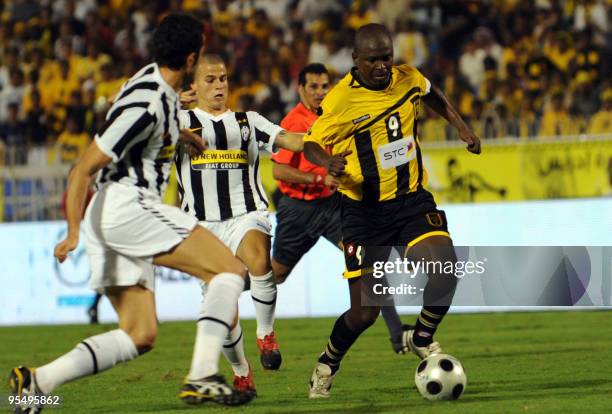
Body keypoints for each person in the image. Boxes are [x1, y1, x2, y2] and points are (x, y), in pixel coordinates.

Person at [9, 14, 255, 411]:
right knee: (229, 271)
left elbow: (152, 108)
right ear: (191, 59)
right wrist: (71, 233)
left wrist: (183, 133)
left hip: (111, 215)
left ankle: (37, 381)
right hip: (126, 206)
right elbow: (82, 168)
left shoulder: (150, 84)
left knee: (139, 334)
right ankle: (202, 375)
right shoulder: (149, 104)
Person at [303, 23, 481, 398]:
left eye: (387, 57)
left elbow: (432, 95)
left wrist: (462, 127)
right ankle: (327, 363)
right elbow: (311, 144)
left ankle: (421, 335)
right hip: (363, 213)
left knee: (445, 270)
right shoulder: (339, 101)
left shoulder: (408, 77)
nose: (383, 66)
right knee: (365, 313)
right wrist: (326, 162)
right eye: (374, 60)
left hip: (411, 201)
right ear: (356, 61)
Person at [175, 54, 304, 381]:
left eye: (223, 79)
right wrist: (167, 101)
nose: (219, 86)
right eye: (210, 80)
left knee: (259, 261)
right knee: (224, 310)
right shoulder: (176, 122)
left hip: (246, 213)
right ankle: (240, 371)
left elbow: (289, 140)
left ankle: (266, 332)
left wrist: (329, 135)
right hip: (201, 225)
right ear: (193, 86)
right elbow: (131, 115)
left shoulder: (249, 121)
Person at [271, 62, 413, 354]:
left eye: (325, 86)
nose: (320, 92)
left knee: (369, 264)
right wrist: (318, 177)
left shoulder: (335, 115)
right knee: (276, 275)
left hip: (334, 206)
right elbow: (279, 172)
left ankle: (398, 336)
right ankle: (226, 285)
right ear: (300, 89)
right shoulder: (294, 122)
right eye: (313, 86)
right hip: (298, 210)